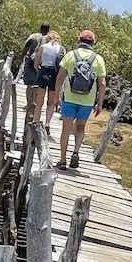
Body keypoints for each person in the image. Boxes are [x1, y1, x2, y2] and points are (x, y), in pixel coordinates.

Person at [54, 30, 106, 170]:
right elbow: (102, 83)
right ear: (93, 43)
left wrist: (56, 96)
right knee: (81, 127)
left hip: (69, 98)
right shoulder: (98, 59)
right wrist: (100, 103)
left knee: (66, 129)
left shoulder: (71, 55)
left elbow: (60, 77)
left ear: (79, 40)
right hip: (87, 101)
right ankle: (76, 152)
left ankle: (62, 160)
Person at [32, 31, 64, 134]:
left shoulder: (43, 47)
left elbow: (36, 64)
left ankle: (36, 121)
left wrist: (39, 71)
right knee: (51, 102)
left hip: (43, 71)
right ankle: (47, 124)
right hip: (54, 74)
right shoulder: (61, 49)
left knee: (39, 102)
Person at [20, 22, 50, 119]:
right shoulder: (49, 39)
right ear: (48, 30)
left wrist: (22, 57)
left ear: (40, 28)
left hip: (30, 62)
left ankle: (29, 103)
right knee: (38, 85)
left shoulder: (33, 36)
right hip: (42, 64)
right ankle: (35, 104)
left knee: (29, 84)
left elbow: (26, 46)